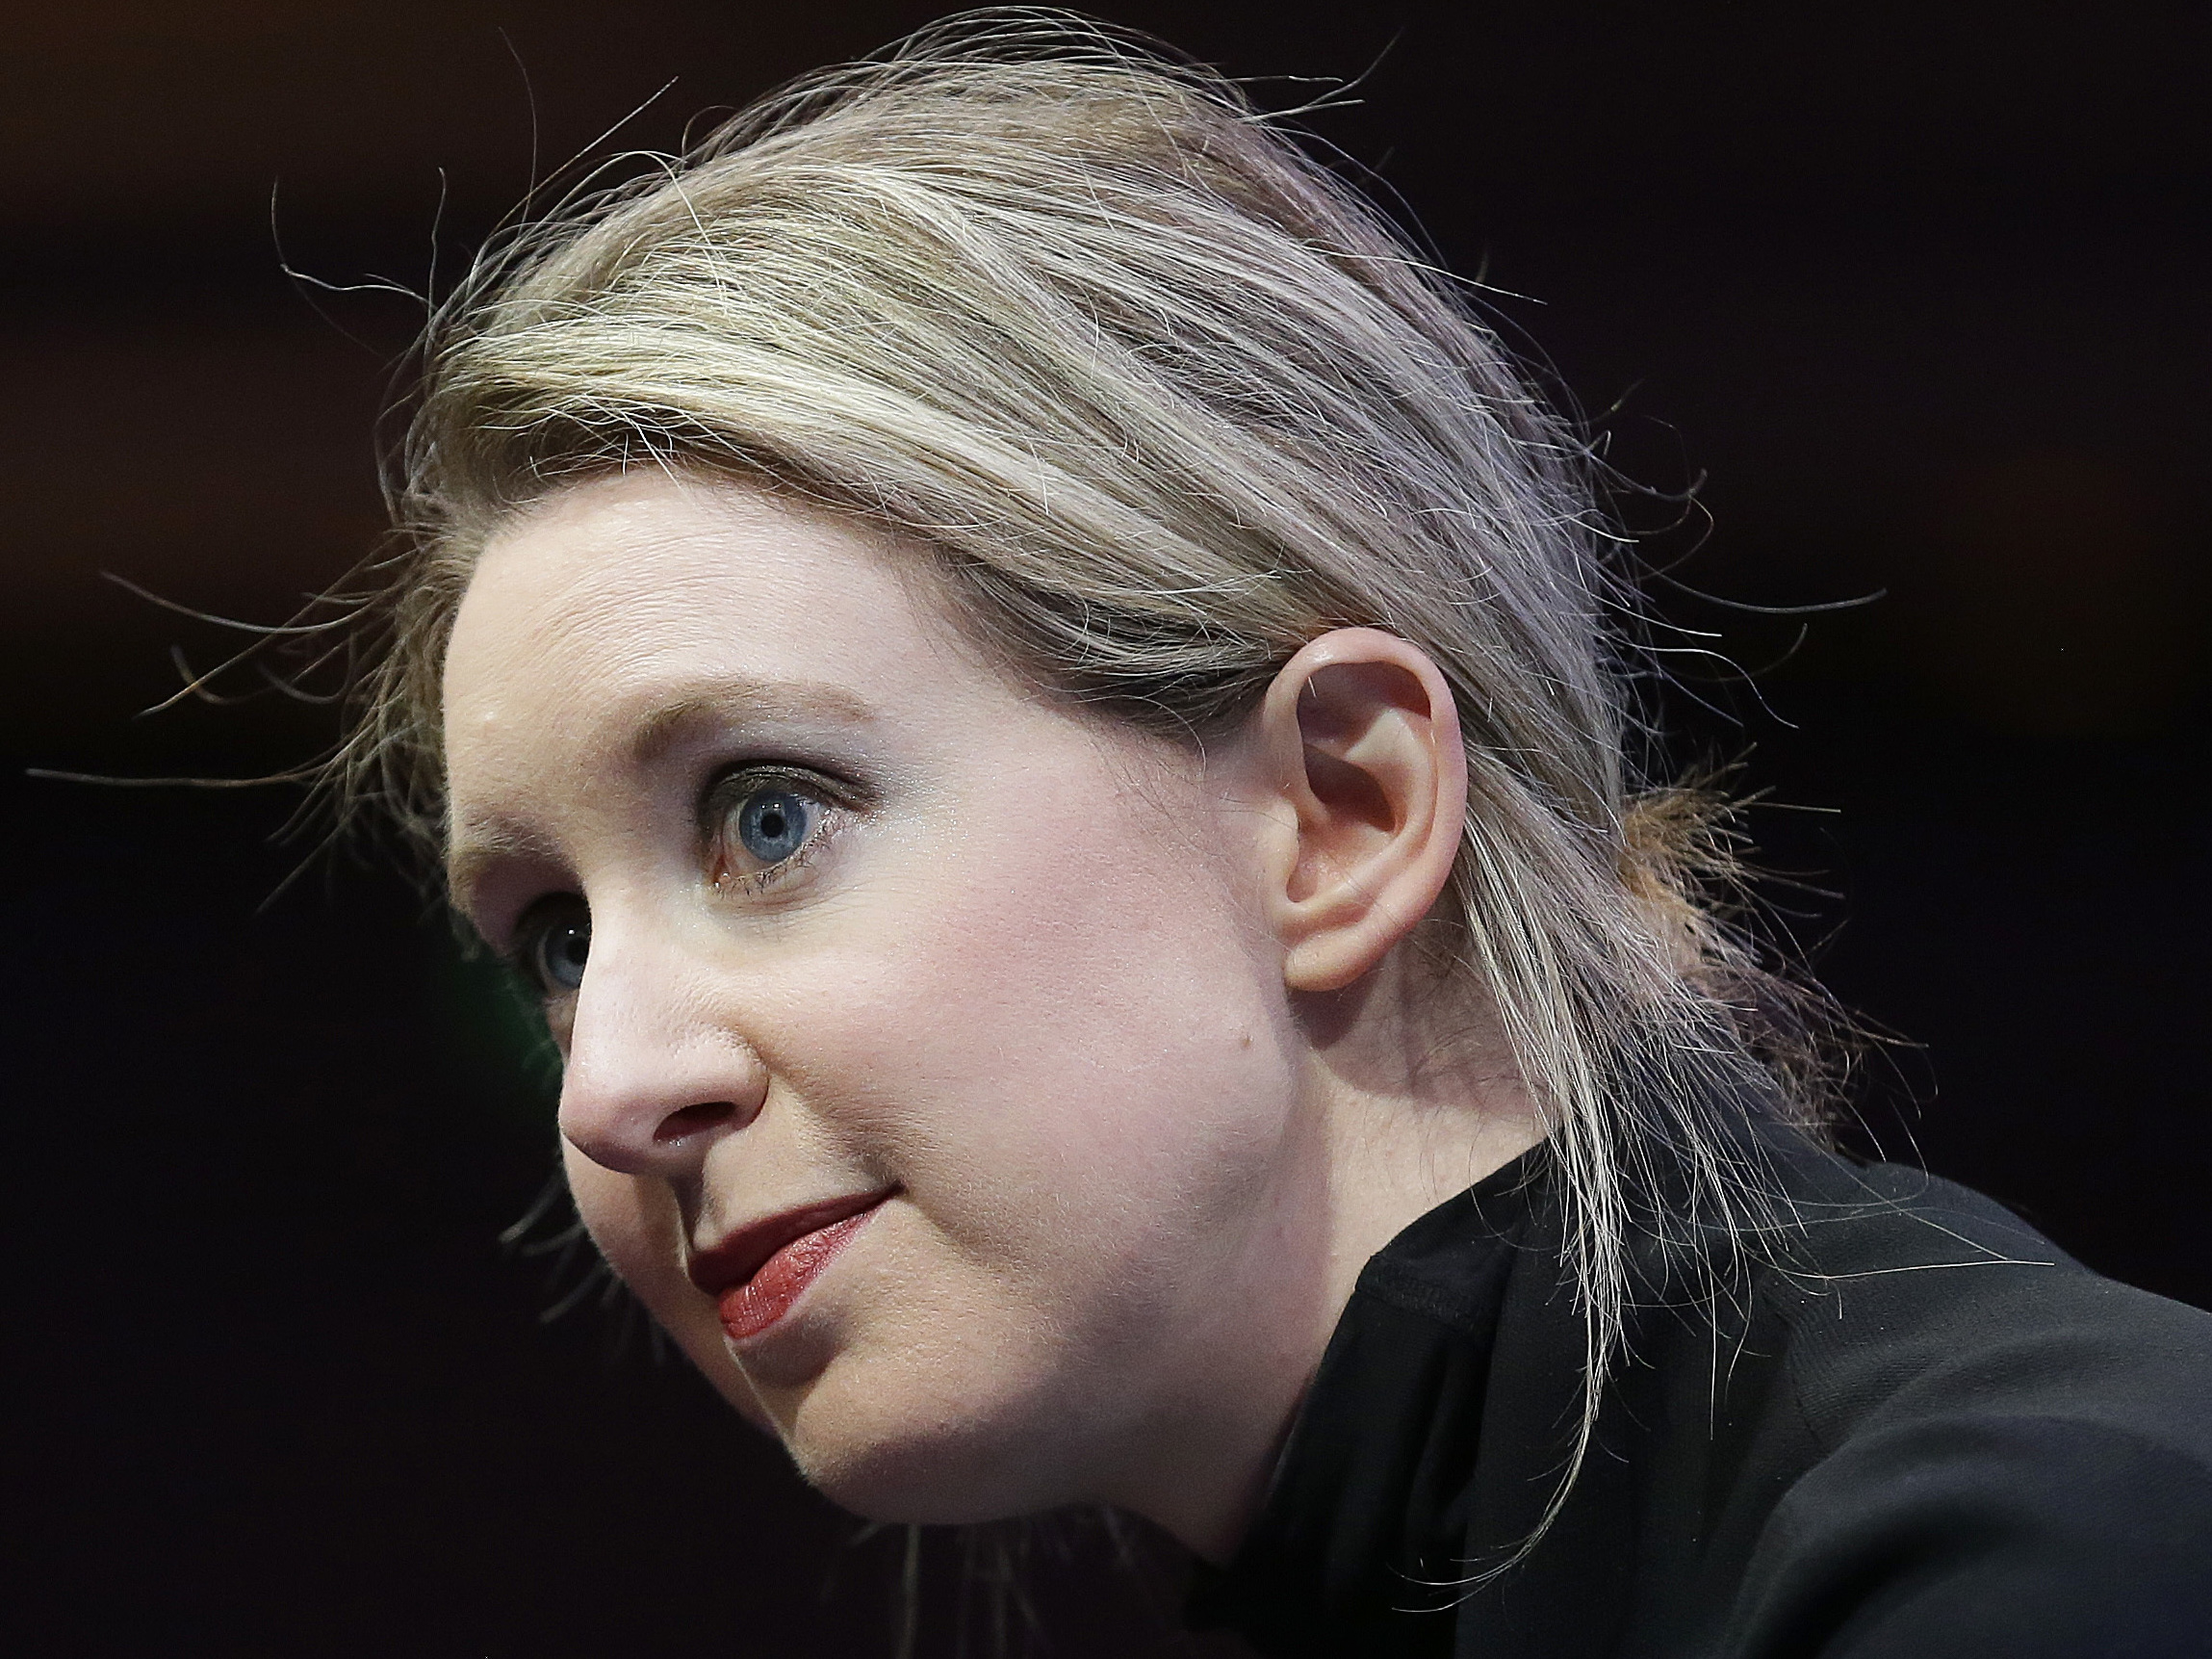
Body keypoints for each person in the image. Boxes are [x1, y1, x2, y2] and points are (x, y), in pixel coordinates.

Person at [340, 13, 2212, 1655]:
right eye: (556, 940)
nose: (605, 1090)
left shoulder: (2047, 1559)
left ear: (1343, 808)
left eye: (767, 817)